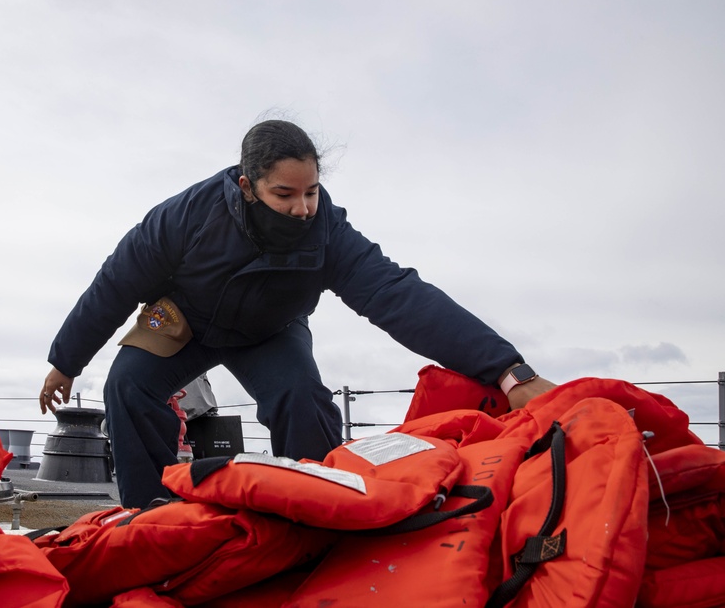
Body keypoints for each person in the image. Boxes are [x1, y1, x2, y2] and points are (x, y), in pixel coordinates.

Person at [41, 119, 555, 508]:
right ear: (247, 186)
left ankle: (317, 508)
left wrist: (508, 371)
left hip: (272, 329)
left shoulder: (327, 230)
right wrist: (65, 361)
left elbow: (398, 295)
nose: (303, 208)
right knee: (127, 385)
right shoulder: (183, 217)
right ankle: (150, 512)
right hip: (179, 318)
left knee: (301, 397)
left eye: (311, 191)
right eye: (284, 194)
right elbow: (114, 284)